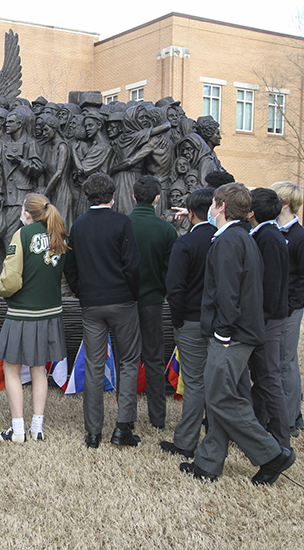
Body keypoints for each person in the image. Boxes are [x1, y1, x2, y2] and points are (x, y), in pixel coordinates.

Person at [179, 183, 295, 485]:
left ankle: (272, 454)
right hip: (237, 334)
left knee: (220, 397)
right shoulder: (239, 237)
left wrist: (223, 333)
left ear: (220, 207)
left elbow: (227, 294)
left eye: (215, 204)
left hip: (231, 337)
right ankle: (208, 462)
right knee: (224, 396)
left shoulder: (230, 241)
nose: (211, 208)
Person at [64, 173, 142, 449]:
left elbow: (69, 266)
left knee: (95, 366)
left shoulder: (79, 225)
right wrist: (132, 294)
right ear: (112, 194)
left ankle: (93, 432)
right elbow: (132, 266)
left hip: (91, 303)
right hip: (122, 301)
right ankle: (123, 427)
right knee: (129, 362)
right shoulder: (122, 222)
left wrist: (81, 291)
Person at [0, 193, 68, 443]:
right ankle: (37, 428)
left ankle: (17, 431)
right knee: (39, 369)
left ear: (27, 213)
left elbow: (11, 280)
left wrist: (2, 290)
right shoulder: (58, 233)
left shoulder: (22, 235)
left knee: (11, 368)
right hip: (50, 312)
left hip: (23, 311)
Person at [159, 187, 216, 458]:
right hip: (219, 321)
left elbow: (175, 287)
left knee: (194, 382)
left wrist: (178, 320)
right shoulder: (223, 238)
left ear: (190, 213)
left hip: (192, 321)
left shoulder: (186, 243)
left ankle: (185, 442)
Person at [128, 175, 178, 429]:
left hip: (125, 303)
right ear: (158, 199)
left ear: (134, 196)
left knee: (126, 359)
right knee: (155, 358)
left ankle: (126, 416)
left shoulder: (123, 224)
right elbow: (171, 272)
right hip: (153, 302)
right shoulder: (166, 230)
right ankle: (158, 418)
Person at [270, 181, 304, 436]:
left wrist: (289, 306)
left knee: (284, 362)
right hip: (275, 308)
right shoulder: (271, 231)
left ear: (285, 204)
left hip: (287, 310)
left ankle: (287, 421)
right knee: (285, 361)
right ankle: (293, 413)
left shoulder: (301, 238)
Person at [247, 188, 290, 450]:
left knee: (269, 378)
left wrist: (258, 322)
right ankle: (259, 427)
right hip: (266, 318)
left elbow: (270, 287)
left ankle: (281, 439)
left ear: (251, 212)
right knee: (262, 378)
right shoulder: (264, 235)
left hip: (268, 320)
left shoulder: (269, 239)